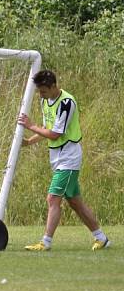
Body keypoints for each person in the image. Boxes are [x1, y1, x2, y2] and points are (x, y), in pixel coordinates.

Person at [18, 69, 110, 251]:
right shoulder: (45, 100)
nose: (41, 95)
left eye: (43, 91)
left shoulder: (67, 103)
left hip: (69, 157)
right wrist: (29, 142)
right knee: (75, 202)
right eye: (39, 91)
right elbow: (47, 128)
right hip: (57, 157)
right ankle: (102, 238)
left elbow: (54, 134)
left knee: (53, 199)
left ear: (54, 86)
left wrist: (31, 126)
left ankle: (45, 243)